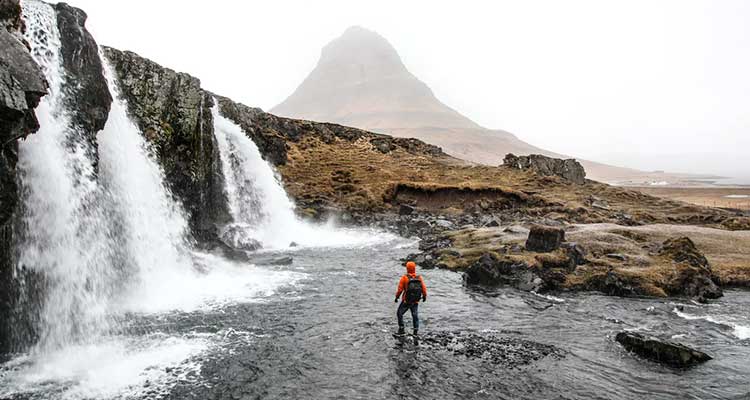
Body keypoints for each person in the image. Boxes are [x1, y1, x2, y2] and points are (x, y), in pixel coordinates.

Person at [394, 261, 427, 336]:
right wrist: (424, 296)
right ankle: (416, 331)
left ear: (407, 268)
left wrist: (396, 297)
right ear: (414, 268)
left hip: (406, 300)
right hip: (416, 301)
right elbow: (424, 289)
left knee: (400, 313)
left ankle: (401, 329)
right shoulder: (419, 278)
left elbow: (400, 290)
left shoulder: (404, 278)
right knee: (415, 315)